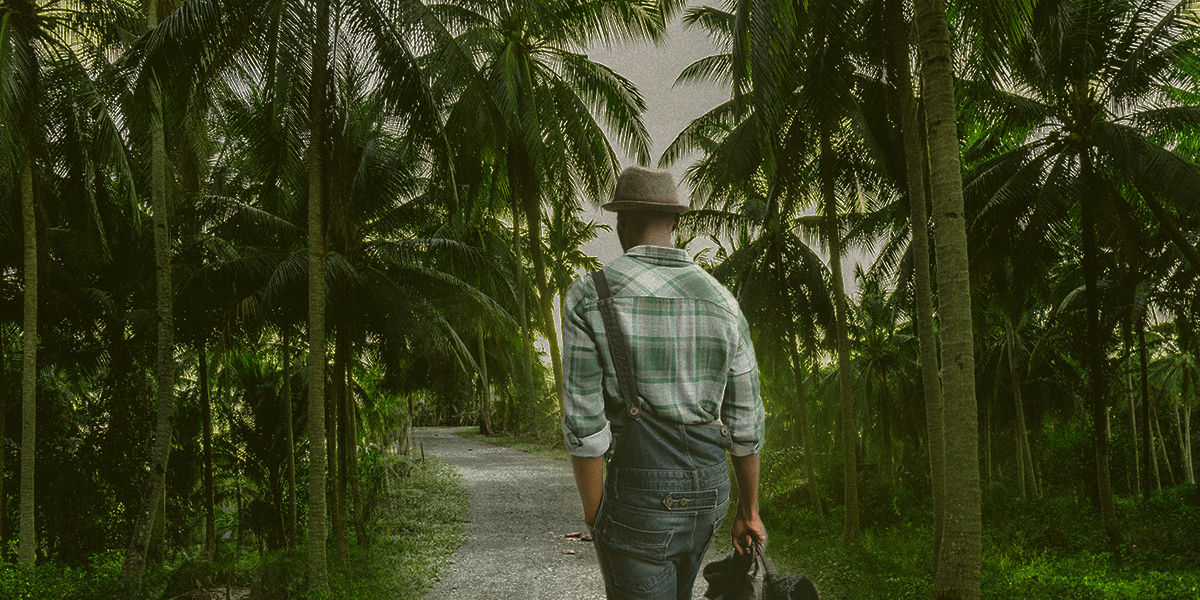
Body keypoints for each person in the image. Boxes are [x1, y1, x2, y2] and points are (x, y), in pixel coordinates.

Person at [560, 166, 767, 599]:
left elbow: (585, 427)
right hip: (710, 495)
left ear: (622, 223)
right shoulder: (723, 302)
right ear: (675, 222)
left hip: (637, 502)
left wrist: (597, 517)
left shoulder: (589, 295)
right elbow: (746, 426)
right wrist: (750, 512)